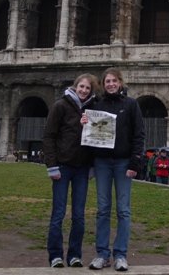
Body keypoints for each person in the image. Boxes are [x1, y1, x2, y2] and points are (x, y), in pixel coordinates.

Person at [84, 68, 144, 272]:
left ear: (120, 82)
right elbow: (89, 139)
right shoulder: (96, 106)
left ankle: (120, 254)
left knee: (123, 210)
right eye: (107, 81)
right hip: (101, 162)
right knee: (102, 209)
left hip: (122, 162)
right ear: (103, 84)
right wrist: (85, 123)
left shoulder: (130, 104)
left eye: (114, 81)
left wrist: (134, 162)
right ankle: (102, 254)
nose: (110, 84)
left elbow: (139, 135)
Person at [43, 73, 98, 268]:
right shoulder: (60, 106)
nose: (84, 91)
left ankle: (75, 255)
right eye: (81, 86)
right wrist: (52, 166)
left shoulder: (94, 109)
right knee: (58, 213)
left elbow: (96, 140)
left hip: (82, 167)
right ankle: (56, 256)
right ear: (75, 86)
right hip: (62, 167)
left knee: (79, 215)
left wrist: (92, 167)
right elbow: (49, 137)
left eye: (87, 88)